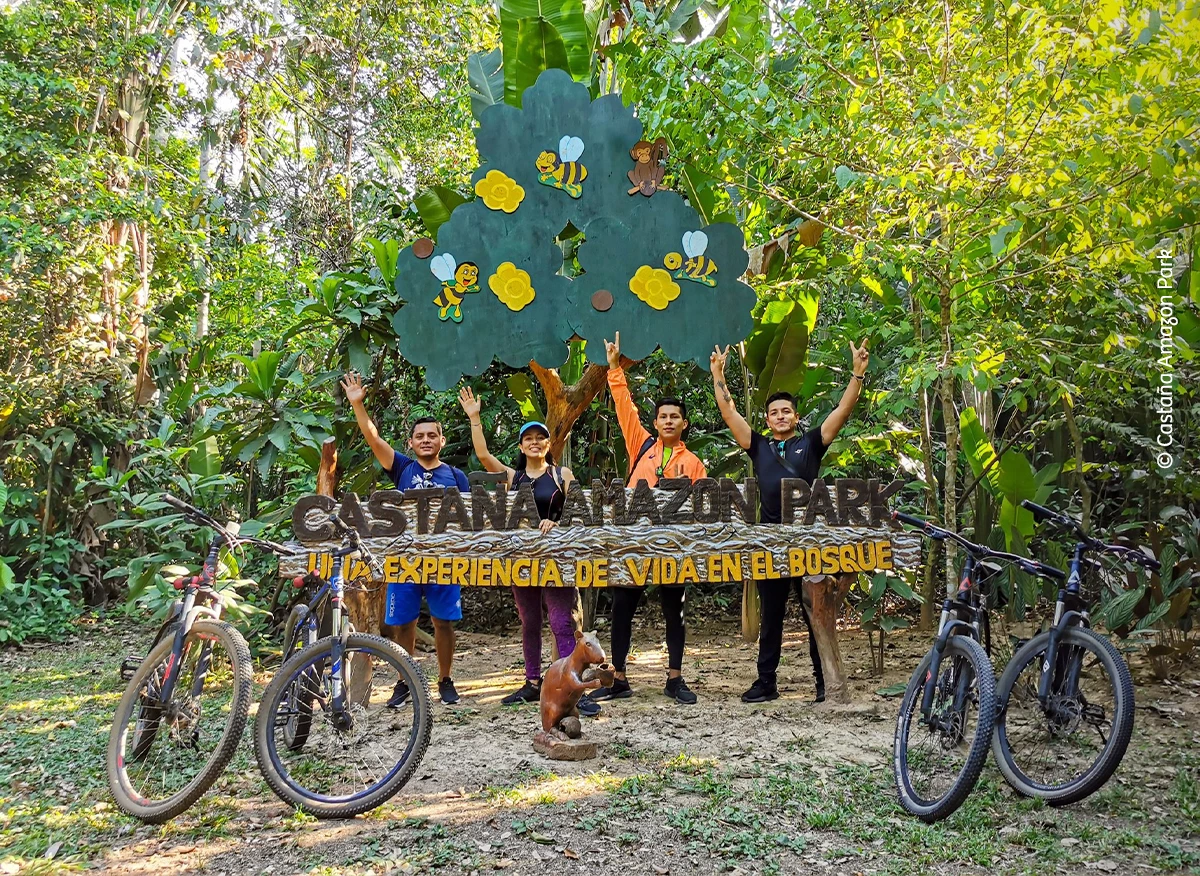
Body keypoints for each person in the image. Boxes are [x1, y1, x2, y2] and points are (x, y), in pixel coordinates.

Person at [710, 339, 870, 704]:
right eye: (774, 412)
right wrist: (718, 375)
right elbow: (729, 414)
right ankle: (766, 682)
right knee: (772, 616)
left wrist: (857, 373)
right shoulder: (759, 446)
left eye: (787, 411)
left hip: (808, 541)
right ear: (767, 419)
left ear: (796, 417)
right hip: (770, 541)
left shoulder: (811, 444)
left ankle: (822, 682)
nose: (781, 416)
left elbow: (842, 412)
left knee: (816, 610)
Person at [457, 387, 600, 717]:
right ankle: (532, 682)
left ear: (549, 445)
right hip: (522, 559)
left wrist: (557, 524)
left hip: (556, 557)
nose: (535, 443)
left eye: (541, 438)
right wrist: (475, 419)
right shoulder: (514, 477)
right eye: (529, 439)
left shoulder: (561, 474)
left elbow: (579, 510)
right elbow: (484, 457)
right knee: (529, 620)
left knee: (562, 622)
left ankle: (573, 683)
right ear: (521, 446)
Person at [593, 331, 708, 706]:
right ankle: (620, 678)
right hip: (633, 543)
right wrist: (613, 368)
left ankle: (675, 678)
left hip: (673, 547)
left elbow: (703, 507)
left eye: (675, 416)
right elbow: (624, 406)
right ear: (656, 422)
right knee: (622, 608)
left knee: (674, 610)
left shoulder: (693, 463)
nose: (669, 421)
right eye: (663, 416)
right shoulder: (640, 445)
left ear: (685, 423)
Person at [341, 371, 469, 706]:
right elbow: (373, 439)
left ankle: (445, 679)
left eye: (432, 435)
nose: (426, 440)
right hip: (404, 561)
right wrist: (358, 405)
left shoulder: (457, 476)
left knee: (444, 622)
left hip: (444, 561)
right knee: (404, 624)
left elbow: (472, 520)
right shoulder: (402, 469)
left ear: (442, 441)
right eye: (419, 436)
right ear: (411, 443)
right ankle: (405, 680)